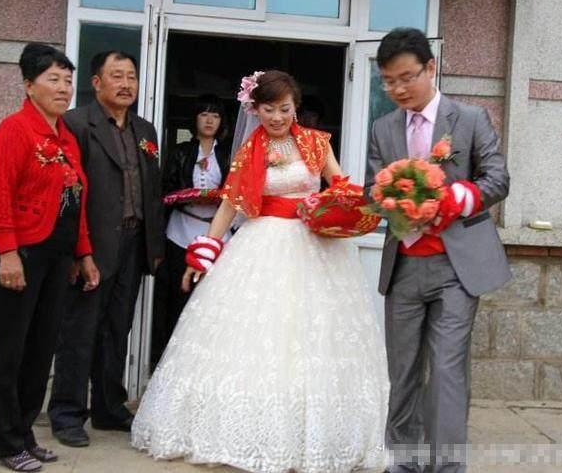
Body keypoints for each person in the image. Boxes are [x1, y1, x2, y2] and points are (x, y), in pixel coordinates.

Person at [131, 70, 389, 473]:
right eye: (268, 109)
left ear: (295, 106)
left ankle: (312, 432)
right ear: (256, 110)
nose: (277, 117)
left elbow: (338, 186)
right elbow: (229, 205)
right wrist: (205, 251)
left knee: (312, 336)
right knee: (260, 334)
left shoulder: (316, 143)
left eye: (284, 108)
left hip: (315, 245)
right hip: (262, 240)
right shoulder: (249, 150)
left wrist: (351, 209)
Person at [366, 28, 511, 473]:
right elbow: (374, 191)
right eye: (388, 81)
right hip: (404, 268)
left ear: (431, 68)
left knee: (447, 368)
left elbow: (497, 179)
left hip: (456, 267)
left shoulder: (469, 118)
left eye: (406, 77)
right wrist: (391, 202)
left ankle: (447, 466)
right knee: (403, 369)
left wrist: (454, 198)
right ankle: (404, 462)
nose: (398, 89)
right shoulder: (383, 127)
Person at [0, 43, 98, 472]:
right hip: (20, 253)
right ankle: (3, 441)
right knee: (7, 351)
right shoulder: (13, 131)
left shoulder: (66, 137)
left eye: (68, 80)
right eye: (54, 79)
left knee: (39, 350)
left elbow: (76, 202)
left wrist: (83, 254)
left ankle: (23, 434)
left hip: (56, 256)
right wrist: (7, 254)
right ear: (29, 85)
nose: (64, 88)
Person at [48, 50, 165, 447]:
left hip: (133, 244)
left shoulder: (145, 130)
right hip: (92, 245)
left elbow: (152, 190)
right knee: (79, 331)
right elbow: (68, 193)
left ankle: (109, 407)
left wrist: (153, 246)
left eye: (131, 76)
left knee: (118, 329)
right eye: (117, 76)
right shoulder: (76, 124)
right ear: (96, 82)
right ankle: (67, 413)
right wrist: (77, 252)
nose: (126, 84)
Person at [151, 94, 231, 365]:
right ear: (195, 118)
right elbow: (166, 189)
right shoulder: (181, 151)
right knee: (178, 296)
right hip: (181, 229)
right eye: (204, 114)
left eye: (215, 115)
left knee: (213, 300)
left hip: (217, 232)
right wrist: (186, 195)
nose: (209, 120)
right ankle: (172, 359)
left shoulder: (228, 153)